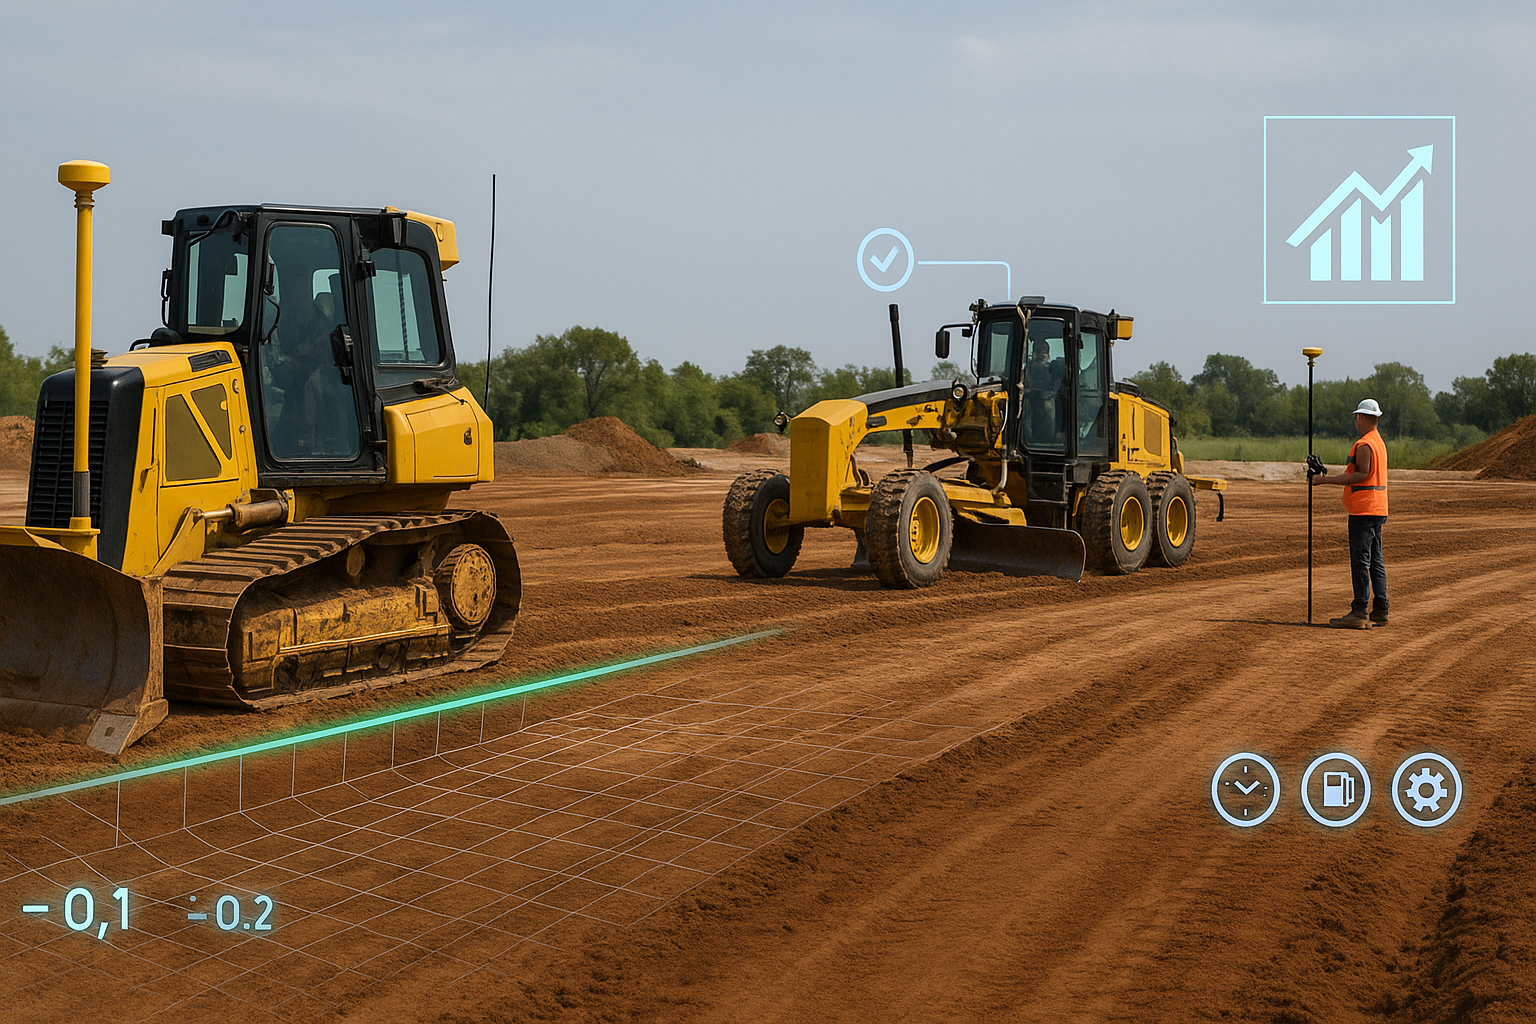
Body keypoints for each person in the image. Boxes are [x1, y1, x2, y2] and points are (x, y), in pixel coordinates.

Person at [1309, 398, 1389, 628]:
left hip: (1364, 510)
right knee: (1375, 560)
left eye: (1357, 416)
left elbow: (1361, 474)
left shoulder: (1364, 444)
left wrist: (1325, 481)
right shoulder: (1378, 442)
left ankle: (1360, 610)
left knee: (1361, 561)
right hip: (1377, 508)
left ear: (1362, 417)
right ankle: (1381, 608)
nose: (1356, 420)